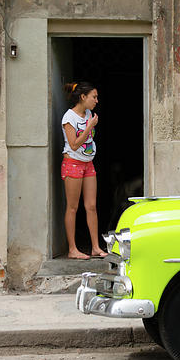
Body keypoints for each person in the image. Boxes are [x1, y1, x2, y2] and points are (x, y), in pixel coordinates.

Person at [60, 81, 105, 259]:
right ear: (83, 97)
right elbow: (74, 143)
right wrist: (89, 127)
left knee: (91, 206)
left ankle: (95, 247)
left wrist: (90, 125)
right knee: (72, 207)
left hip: (88, 164)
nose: (96, 101)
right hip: (72, 164)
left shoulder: (88, 114)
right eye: (94, 97)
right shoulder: (68, 118)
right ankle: (72, 249)